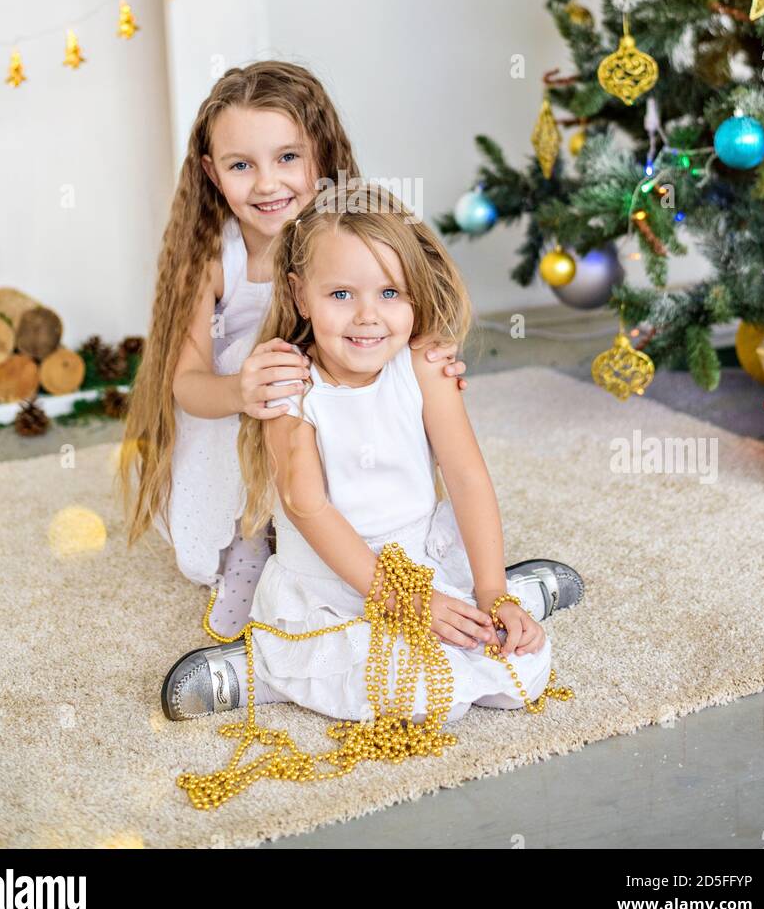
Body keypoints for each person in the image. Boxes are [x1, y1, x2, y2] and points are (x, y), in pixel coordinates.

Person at [161, 183, 584, 725]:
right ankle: (261, 670)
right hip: (336, 580)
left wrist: (492, 591)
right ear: (299, 295)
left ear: (414, 295)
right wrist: (401, 602)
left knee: (517, 675)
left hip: (420, 562)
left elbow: (467, 477)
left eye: (390, 294)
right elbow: (308, 507)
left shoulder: (426, 367)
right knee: (409, 692)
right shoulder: (290, 386)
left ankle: (513, 587)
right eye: (341, 295)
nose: (367, 317)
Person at [116, 62, 468, 639]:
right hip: (253, 414)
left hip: (338, 404)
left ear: (322, 157)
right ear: (212, 171)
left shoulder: (355, 234)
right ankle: (254, 535)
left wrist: (429, 351)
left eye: (287, 158)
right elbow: (186, 384)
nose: (267, 183)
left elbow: (403, 301)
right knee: (255, 362)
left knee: (380, 362)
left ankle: (373, 527)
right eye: (240, 165)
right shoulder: (211, 260)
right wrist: (242, 390)